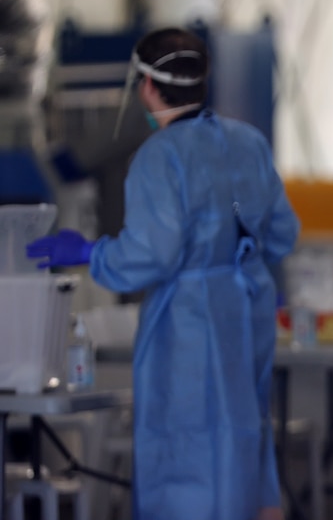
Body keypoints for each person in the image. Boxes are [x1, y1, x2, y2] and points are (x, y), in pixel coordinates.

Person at [27, 28, 299, 520]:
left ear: (146, 86)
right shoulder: (247, 141)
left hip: (188, 321)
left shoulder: (159, 156)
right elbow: (281, 233)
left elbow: (151, 255)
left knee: (187, 442)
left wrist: (93, 253)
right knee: (243, 429)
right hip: (248, 308)